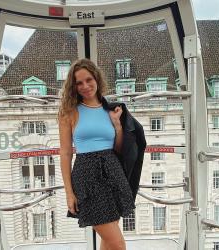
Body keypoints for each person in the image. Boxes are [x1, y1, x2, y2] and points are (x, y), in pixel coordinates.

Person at [58, 58, 135, 250]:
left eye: (89, 80)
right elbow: (66, 153)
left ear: (97, 79)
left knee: (109, 241)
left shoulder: (109, 109)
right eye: (79, 83)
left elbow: (117, 149)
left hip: (113, 173)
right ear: (73, 87)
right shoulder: (69, 112)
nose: (85, 86)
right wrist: (69, 192)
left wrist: (117, 125)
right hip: (87, 177)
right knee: (118, 244)